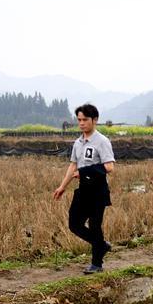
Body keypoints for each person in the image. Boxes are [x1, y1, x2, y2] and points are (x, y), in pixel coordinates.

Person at [53, 104, 114, 274]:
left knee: (95, 226)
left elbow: (109, 167)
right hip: (83, 190)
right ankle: (101, 245)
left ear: (95, 120)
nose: (81, 123)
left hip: (98, 190)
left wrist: (86, 171)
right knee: (74, 224)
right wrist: (62, 186)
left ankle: (97, 264)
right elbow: (73, 166)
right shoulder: (78, 143)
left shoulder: (102, 141)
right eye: (79, 120)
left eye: (85, 120)